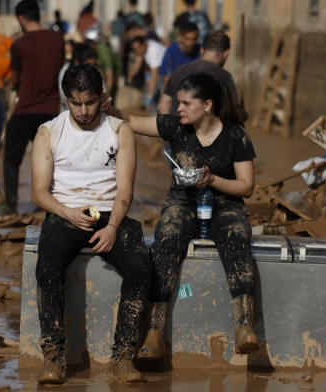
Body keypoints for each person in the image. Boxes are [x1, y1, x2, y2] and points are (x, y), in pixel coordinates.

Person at [102, 72, 259, 360]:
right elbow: (133, 121)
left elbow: (246, 187)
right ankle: (155, 332)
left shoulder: (236, 135)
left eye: (186, 103)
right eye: (178, 103)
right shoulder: (175, 127)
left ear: (207, 105)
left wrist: (211, 180)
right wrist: (104, 106)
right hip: (182, 203)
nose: (179, 109)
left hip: (226, 205)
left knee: (238, 236)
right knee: (168, 236)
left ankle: (245, 326)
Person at [31, 64, 150, 384]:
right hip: (65, 213)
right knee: (46, 267)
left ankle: (124, 356)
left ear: (103, 98)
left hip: (111, 215)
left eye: (90, 102)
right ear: (65, 99)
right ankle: (53, 355)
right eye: (75, 103)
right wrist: (67, 212)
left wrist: (112, 227)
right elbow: (39, 193)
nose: (83, 111)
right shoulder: (48, 132)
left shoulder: (119, 129)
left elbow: (125, 189)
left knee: (141, 265)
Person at [3, 0, 64, 215]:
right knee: (50, 162)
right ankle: (49, 208)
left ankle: (10, 207)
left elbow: (15, 78)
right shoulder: (58, 40)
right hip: (50, 112)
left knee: (11, 160)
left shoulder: (19, 44)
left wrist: (15, 86)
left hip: (25, 110)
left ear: (21, 18)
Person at [159, 30, 245, 122]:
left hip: (177, 130)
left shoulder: (179, 71)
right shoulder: (223, 76)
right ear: (225, 54)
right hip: (204, 133)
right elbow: (231, 113)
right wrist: (242, 114)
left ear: (202, 50)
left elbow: (163, 105)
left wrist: (169, 129)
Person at [129, 36, 167, 111]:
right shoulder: (144, 46)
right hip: (156, 69)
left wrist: (149, 96)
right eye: (135, 50)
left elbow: (154, 77)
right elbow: (138, 62)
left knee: (154, 90)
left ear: (143, 44)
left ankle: (155, 111)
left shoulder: (153, 52)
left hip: (165, 71)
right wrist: (131, 75)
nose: (137, 52)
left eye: (138, 49)